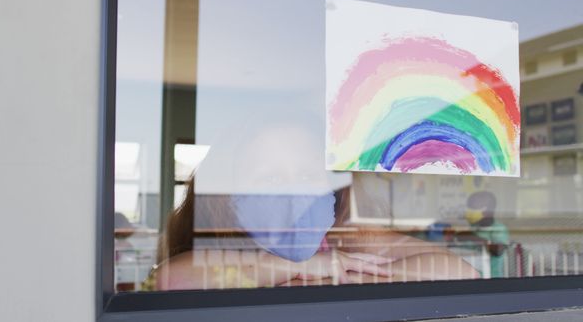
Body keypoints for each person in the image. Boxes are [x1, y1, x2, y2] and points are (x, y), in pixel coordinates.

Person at [147, 111, 479, 290]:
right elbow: (171, 280)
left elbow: (461, 273)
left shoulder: (343, 237)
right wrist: (303, 268)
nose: (295, 192)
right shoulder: (222, 244)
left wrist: (338, 273)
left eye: (308, 175)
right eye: (271, 178)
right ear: (227, 196)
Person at [452, 191, 509, 278]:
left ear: (487, 211)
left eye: (473, 208)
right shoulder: (474, 226)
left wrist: (473, 237)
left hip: (490, 278)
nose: (468, 211)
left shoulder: (498, 229)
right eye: (468, 207)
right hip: (468, 275)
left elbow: (498, 250)